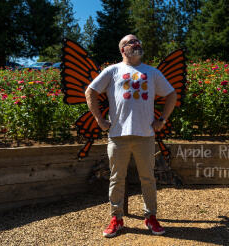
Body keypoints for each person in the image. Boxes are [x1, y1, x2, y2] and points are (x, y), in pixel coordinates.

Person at [86, 34, 179, 237]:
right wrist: (99, 120)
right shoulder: (112, 70)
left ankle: (150, 217)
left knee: (148, 179)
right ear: (122, 49)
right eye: (130, 42)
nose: (136, 43)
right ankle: (116, 218)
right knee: (116, 178)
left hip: (145, 135)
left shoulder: (152, 72)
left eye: (138, 41)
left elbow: (172, 94)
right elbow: (90, 91)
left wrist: (161, 119)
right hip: (118, 135)